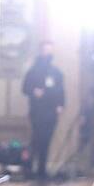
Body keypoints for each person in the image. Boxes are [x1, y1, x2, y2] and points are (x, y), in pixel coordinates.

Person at [22, 41, 64, 179]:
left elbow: (60, 91)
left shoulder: (56, 72)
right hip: (37, 110)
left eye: (49, 50)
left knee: (46, 140)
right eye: (45, 50)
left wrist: (60, 105)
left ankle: (42, 169)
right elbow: (25, 88)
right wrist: (34, 92)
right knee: (36, 139)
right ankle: (29, 168)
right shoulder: (33, 72)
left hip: (51, 111)